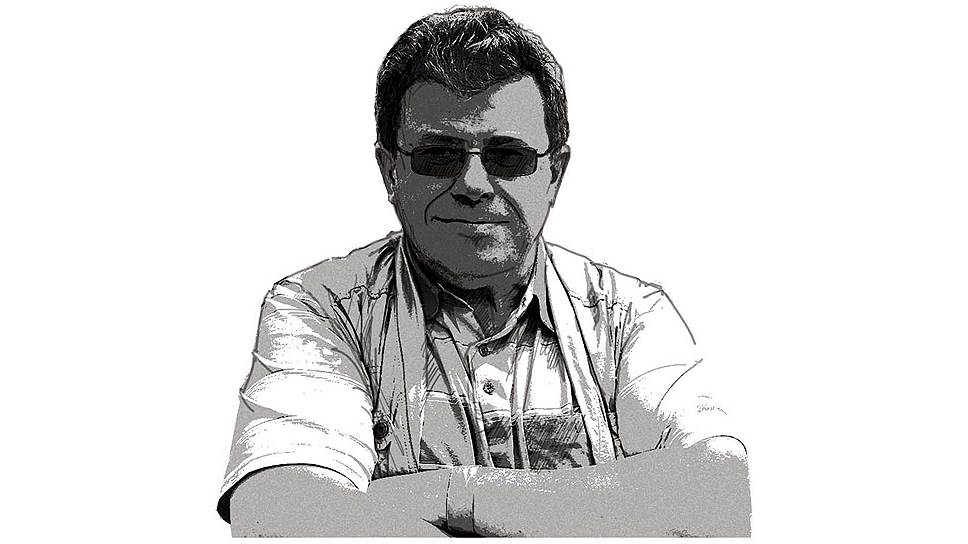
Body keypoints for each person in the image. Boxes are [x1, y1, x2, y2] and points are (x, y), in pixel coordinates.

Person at [217, 7, 750, 537]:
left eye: (507, 157)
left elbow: (717, 499)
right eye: (439, 155)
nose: (473, 183)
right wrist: (603, 508)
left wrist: (450, 495)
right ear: (389, 171)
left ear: (554, 174)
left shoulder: (627, 314)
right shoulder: (320, 307)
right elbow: (281, 516)